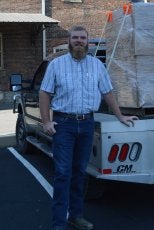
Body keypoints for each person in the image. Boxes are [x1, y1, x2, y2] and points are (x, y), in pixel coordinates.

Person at [39, 25, 138, 230]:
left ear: (88, 41)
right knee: (63, 173)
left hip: (86, 124)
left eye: (82, 38)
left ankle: (76, 216)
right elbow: (44, 93)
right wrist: (46, 121)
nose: (78, 41)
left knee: (80, 173)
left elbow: (108, 92)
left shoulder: (97, 66)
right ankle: (58, 223)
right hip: (63, 125)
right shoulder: (56, 65)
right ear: (69, 40)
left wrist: (119, 115)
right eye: (75, 37)